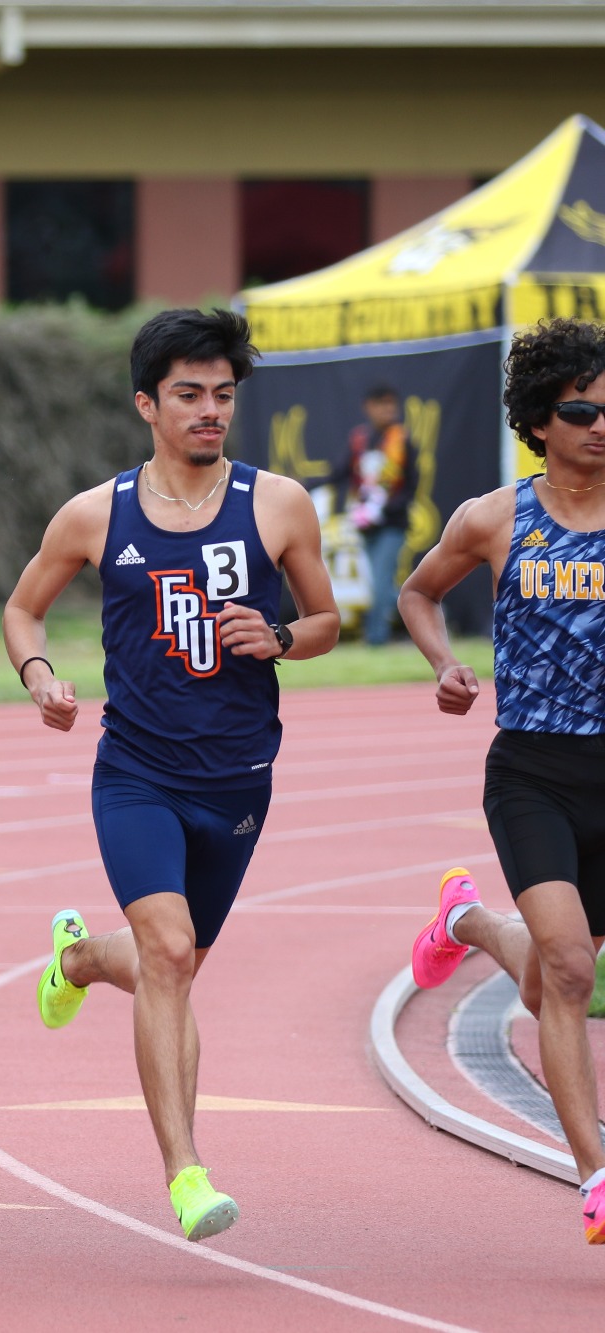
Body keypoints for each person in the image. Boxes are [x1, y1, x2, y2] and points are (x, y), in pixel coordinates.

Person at [7, 308, 338, 1242]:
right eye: (189, 395)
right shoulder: (95, 513)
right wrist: (40, 677)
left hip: (238, 778)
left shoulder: (277, 504)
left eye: (223, 395)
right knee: (168, 952)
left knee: (175, 958)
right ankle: (186, 1173)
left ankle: (74, 957)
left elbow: (325, 623)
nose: (209, 411)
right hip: (137, 773)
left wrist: (277, 638)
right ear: (147, 403)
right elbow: (23, 609)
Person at [400, 317, 605, 1242]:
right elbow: (416, 590)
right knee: (566, 968)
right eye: (580, 409)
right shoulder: (495, 518)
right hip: (534, 768)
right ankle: (597, 1175)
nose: (600, 424)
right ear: (539, 417)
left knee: (556, 973)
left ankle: (468, 921)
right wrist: (443, 663)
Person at [338, 384, 418, 645]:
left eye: (391, 405)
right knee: (379, 585)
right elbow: (341, 472)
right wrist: (305, 484)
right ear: (368, 407)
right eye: (381, 404)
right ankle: (426, 608)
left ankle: (375, 639)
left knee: (382, 581)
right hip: (366, 524)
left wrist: (383, 509)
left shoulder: (403, 440)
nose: (388, 410)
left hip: (392, 524)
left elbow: (411, 486)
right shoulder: (360, 439)